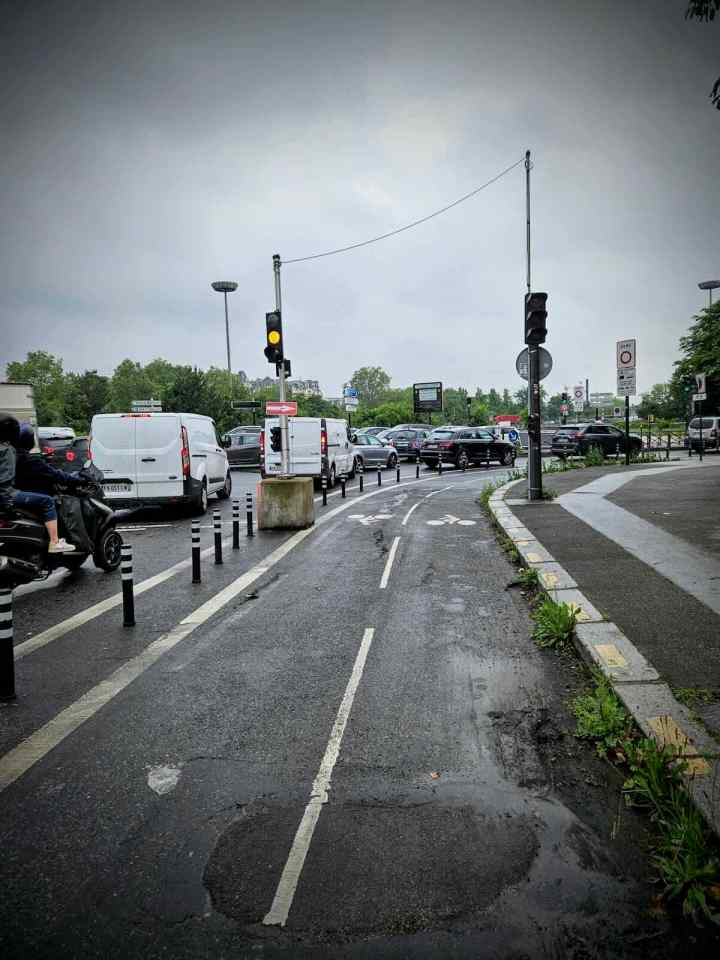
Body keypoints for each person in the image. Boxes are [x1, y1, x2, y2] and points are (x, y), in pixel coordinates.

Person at [0, 415, 75, 553]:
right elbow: (7, 477)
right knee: (47, 501)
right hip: (6, 495)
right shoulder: (11, 452)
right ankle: (54, 542)